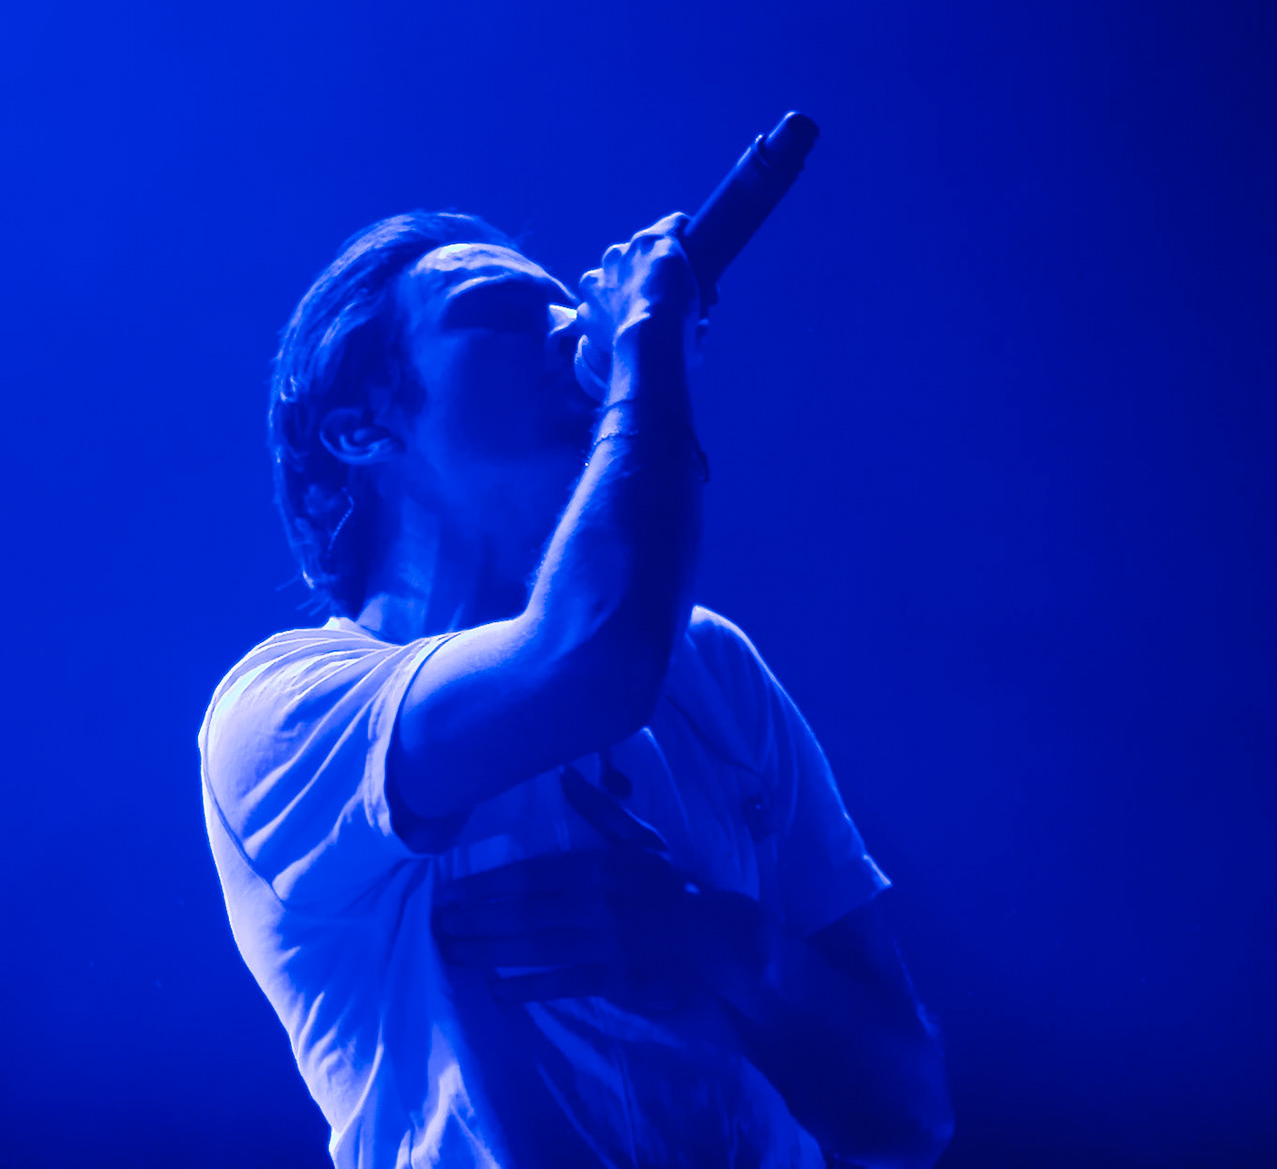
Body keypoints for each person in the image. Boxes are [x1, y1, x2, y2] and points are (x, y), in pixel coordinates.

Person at [198, 209, 953, 1168]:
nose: (571, 328)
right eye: (500, 310)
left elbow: (911, 1118)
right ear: (359, 424)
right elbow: (592, 661)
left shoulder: (710, 665)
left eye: (572, 305)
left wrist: (727, 951)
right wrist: (648, 347)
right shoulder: (284, 709)